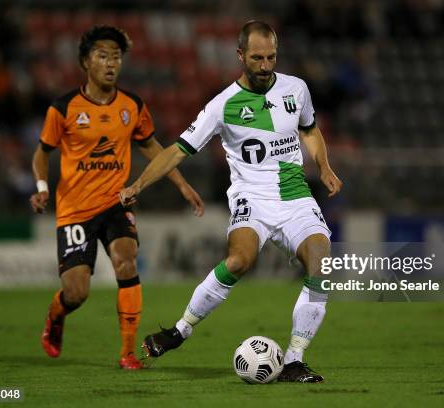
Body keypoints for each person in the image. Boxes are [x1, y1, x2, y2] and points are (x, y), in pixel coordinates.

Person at [120, 20, 342, 382]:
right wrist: (139, 184)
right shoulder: (221, 106)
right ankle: (181, 330)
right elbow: (178, 150)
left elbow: (309, 129)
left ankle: (294, 359)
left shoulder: (296, 88)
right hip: (251, 197)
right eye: (257, 58)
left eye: (271, 57)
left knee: (322, 265)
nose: (266, 65)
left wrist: (325, 166)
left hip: (295, 195)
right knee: (239, 260)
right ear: (240, 56)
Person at [29, 25, 204, 370]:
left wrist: (182, 185)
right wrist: (41, 188)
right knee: (77, 293)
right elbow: (41, 152)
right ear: (85, 62)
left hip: (116, 202)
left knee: (127, 259)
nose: (111, 63)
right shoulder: (63, 108)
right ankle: (57, 315)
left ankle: (127, 354)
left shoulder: (132, 106)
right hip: (75, 210)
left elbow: (154, 147)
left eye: (116, 57)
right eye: (102, 56)